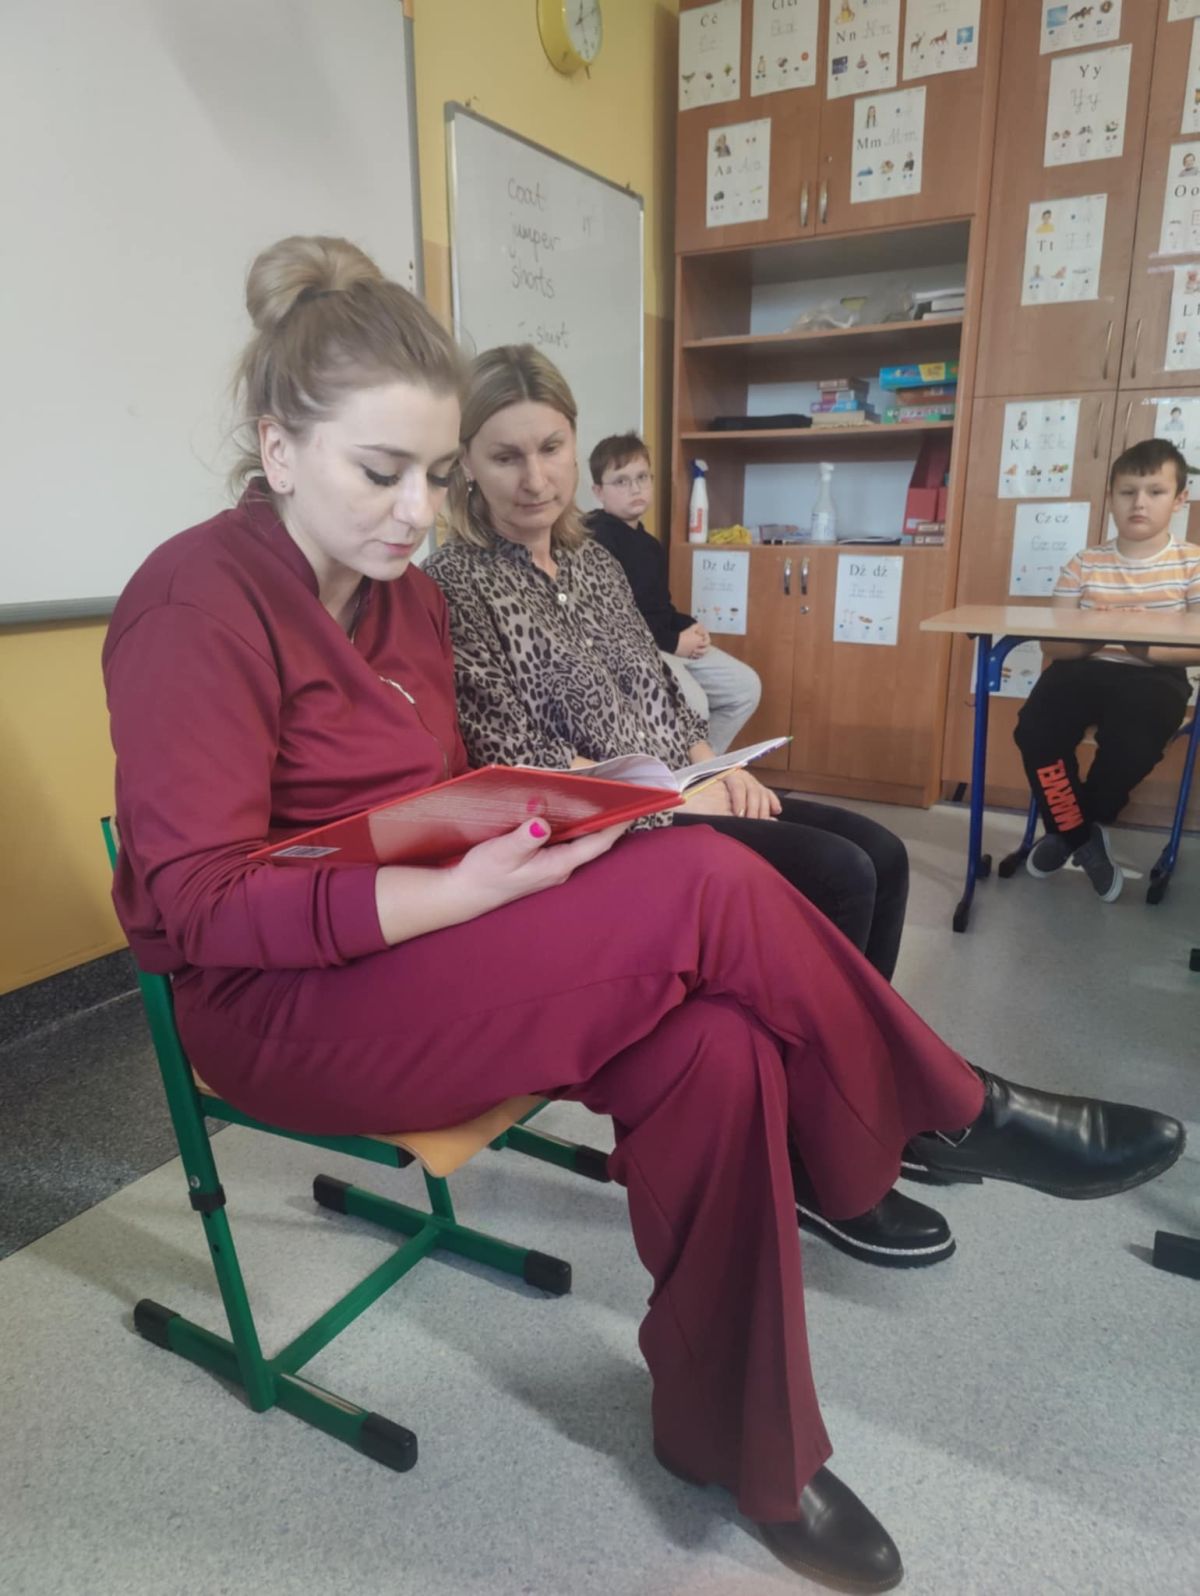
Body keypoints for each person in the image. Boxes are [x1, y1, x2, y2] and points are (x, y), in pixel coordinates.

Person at [103, 237, 1184, 1596]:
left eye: (430, 475)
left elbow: (431, 795)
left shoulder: (397, 600)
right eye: (382, 473)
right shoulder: (192, 604)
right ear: (278, 448)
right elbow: (198, 903)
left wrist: (542, 825)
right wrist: (453, 888)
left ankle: (742, 1446)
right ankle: (953, 1111)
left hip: (421, 948)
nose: (415, 512)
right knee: (703, 881)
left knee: (717, 1046)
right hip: (279, 1008)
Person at [427, 346, 947, 1271]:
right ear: (466, 460)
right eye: (505, 456)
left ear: (575, 441)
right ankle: (814, 1159)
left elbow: (661, 692)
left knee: (883, 852)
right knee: (838, 874)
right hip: (598, 828)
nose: (535, 477)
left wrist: (715, 764)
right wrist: (676, 789)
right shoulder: (455, 582)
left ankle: (860, 1108)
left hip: (675, 788)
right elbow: (514, 760)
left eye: (550, 447)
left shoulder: (592, 560)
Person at [1014, 439, 1200, 901]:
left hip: (1155, 673)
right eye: (1127, 492)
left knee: (1135, 736)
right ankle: (1081, 836)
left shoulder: (1192, 563)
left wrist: (1142, 645)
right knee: (1035, 729)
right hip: (1084, 665)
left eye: (1155, 492)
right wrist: (1100, 635)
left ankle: (1071, 829)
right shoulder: (1084, 562)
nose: (1140, 503)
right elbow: (1054, 643)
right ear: (1111, 496)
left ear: (1180, 499)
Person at [585, 431, 762, 753]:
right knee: (695, 704)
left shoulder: (649, 545)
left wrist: (689, 625)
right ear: (598, 491)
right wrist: (673, 642)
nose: (635, 488)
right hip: (633, 651)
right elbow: (612, 621)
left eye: (642, 477)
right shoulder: (595, 540)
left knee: (744, 686)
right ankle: (684, 771)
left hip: (665, 642)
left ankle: (702, 770)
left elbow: (658, 607)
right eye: (621, 481)